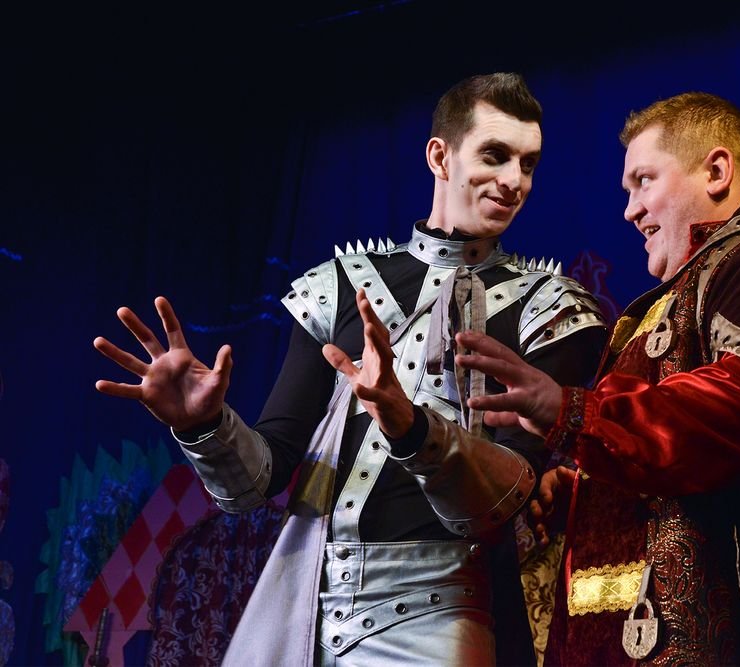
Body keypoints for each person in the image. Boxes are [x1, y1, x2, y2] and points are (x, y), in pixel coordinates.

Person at [94, 72, 608, 666]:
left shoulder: (550, 309)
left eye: (529, 164)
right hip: (305, 612)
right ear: (440, 157)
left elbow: (506, 497)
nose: (514, 181)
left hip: (445, 615)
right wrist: (203, 426)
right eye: (495, 156)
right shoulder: (340, 286)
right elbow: (258, 482)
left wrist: (411, 427)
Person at [456, 92, 740, 665]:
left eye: (643, 181)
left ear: (717, 172)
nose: (629, 211)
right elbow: (672, 476)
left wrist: (572, 411)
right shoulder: (678, 297)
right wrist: (583, 490)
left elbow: (739, 411)